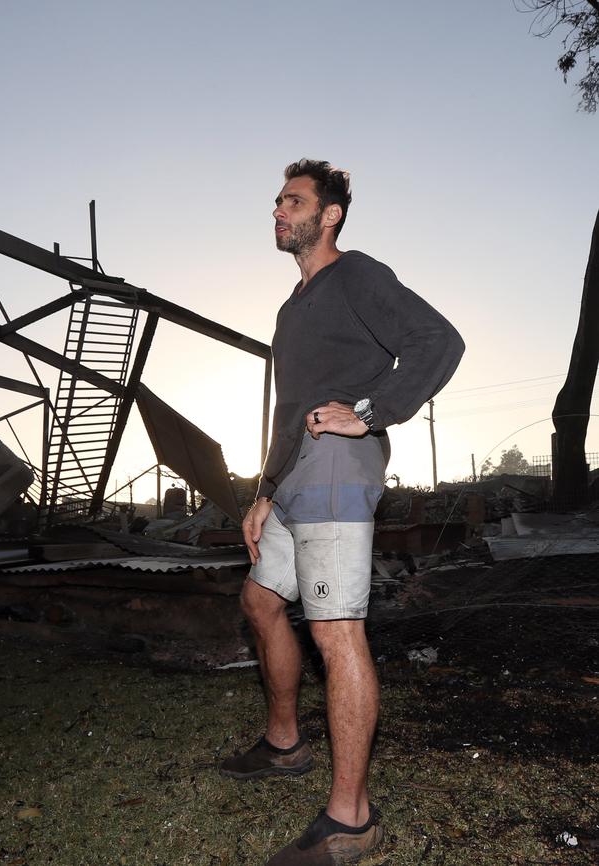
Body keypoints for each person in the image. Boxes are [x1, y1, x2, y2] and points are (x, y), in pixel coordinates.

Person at [220, 159, 465, 865]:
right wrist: (263, 492)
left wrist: (372, 413)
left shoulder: (355, 274)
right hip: (294, 474)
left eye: (292, 201)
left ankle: (352, 819)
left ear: (328, 216)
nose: (278, 209)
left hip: (335, 468)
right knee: (261, 601)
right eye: (276, 200)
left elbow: (437, 341)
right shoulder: (292, 307)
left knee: (335, 629)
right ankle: (285, 742)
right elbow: (288, 409)